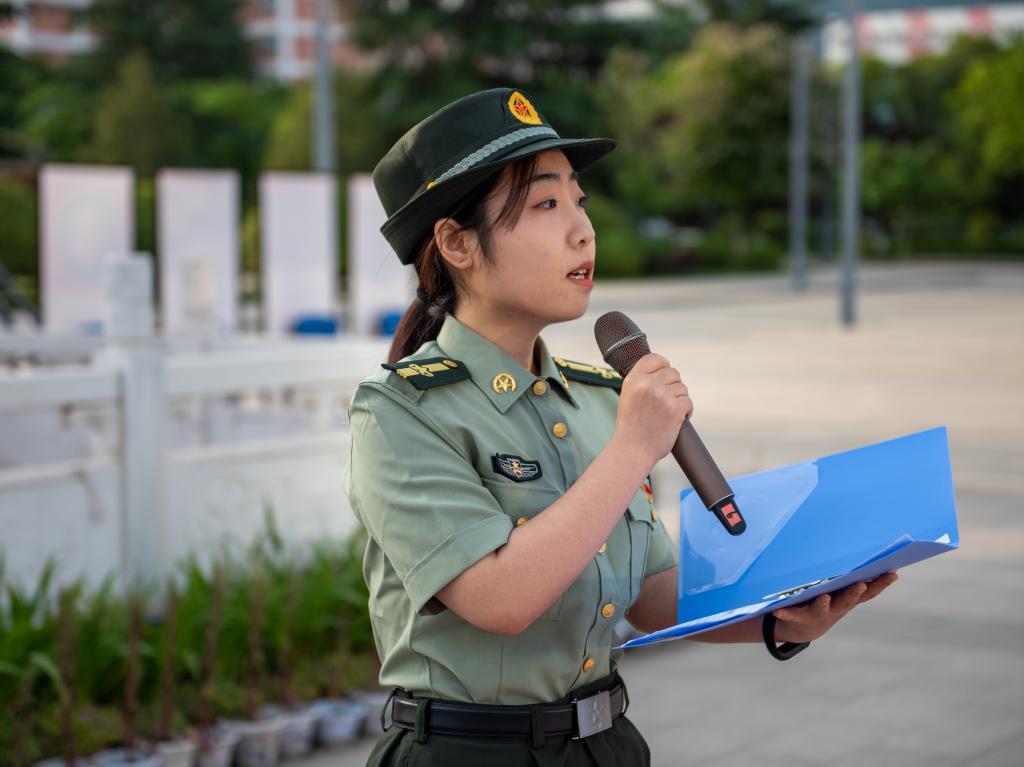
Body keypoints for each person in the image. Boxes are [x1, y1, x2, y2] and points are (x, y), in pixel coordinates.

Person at [344, 87, 898, 767]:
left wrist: (781, 618)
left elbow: (652, 593)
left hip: (608, 746)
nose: (583, 230)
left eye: (578, 201)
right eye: (545, 205)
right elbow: (501, 598)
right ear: (457, 242)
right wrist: (633, 447)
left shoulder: (600, 398)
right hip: (467, 752)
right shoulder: (400, 411)